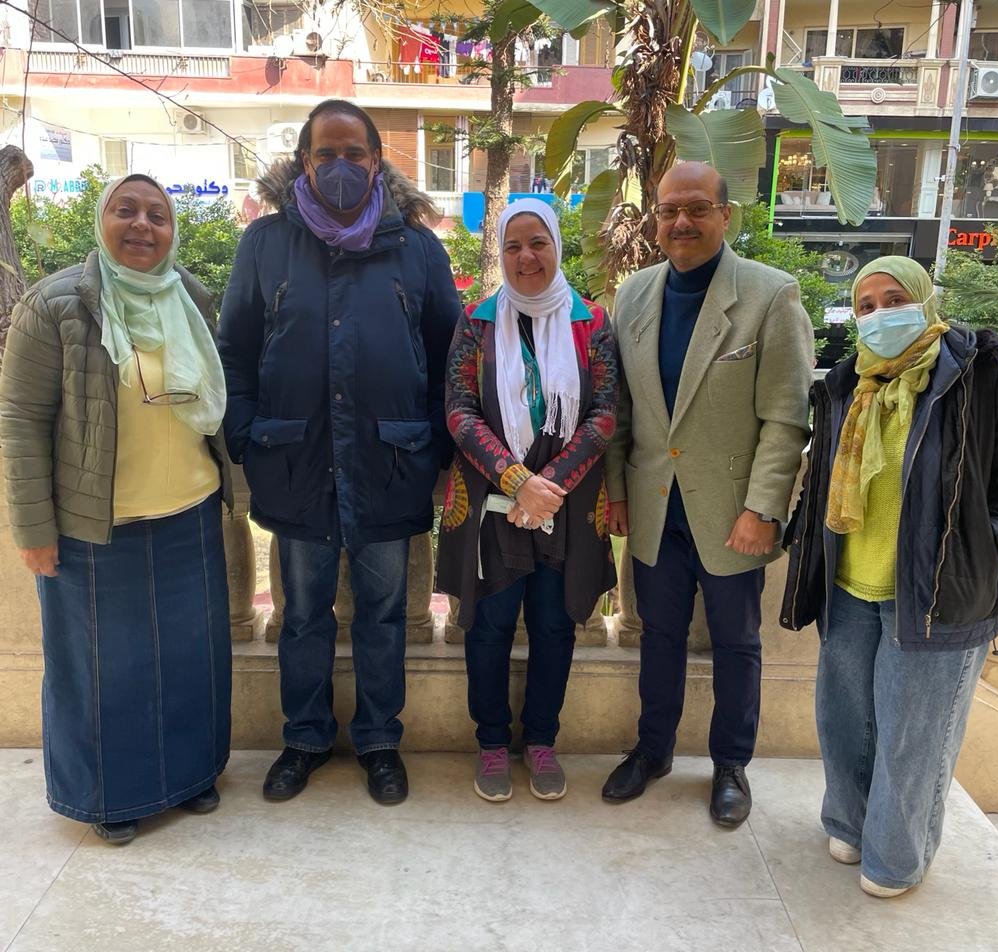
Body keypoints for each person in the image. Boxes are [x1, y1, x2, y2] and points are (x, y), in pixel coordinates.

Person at [218, 99, 462, 806]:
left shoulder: (417, 248)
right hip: (295, 466)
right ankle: (304, 738)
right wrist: (247, 433)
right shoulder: (265, 243)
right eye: (325, 154)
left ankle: (380, 741)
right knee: (302, 615)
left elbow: (450, 358)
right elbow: (234, 349)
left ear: (377, 161)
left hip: (391, 465)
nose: (341, 166)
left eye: (354, 153)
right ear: (304, 161)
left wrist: (434, 443)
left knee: (384, 615)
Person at [0, 174, 233, 844]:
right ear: (101, 222)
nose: (142, 225)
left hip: (189, 511)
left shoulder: (190, 295)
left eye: (157, 215)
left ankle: (191, 777)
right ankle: (110, 797)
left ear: (172, 231)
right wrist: (34, 528)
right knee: (104, 671)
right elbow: (20, 420)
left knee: (191, 660)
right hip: (95, 526)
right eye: (125, 210)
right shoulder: (55, 305)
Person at [780, 256, 998, 897]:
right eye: (866, 306)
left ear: (924, 299)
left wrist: (994, 548)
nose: (880, 315)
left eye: (894, 300)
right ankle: (849, 823)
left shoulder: (981, 376)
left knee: (914, 734)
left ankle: (895, 859)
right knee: (845, 719)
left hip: (940, 588)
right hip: (849, 583)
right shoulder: (846, 383)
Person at [602, 161, 814, 825]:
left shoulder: (770, 295)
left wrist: (762, 508)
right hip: (654, 507)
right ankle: (652, 750)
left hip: (732, 514)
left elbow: (786, 419)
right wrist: (616, 491)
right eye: (668, 210)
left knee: (736, 643)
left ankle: (730, 764)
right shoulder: (632, 294)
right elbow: (620, 409)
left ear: (725, 215)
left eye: (696, 208)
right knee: (657, 636)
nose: (681, 222)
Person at [437, 198, 618, 801]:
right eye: (513, 245)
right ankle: (491, 742)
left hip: (565, 506)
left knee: (554, 624)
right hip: (494, 503)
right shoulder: (477, 323)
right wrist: (518, 481)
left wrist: (550, 486)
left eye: (538, 242)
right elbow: (459, 411)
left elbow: (605, 413)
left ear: (557, 246)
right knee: (488, 627)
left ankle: (541, 740)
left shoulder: (591, 323)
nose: (526, 256)